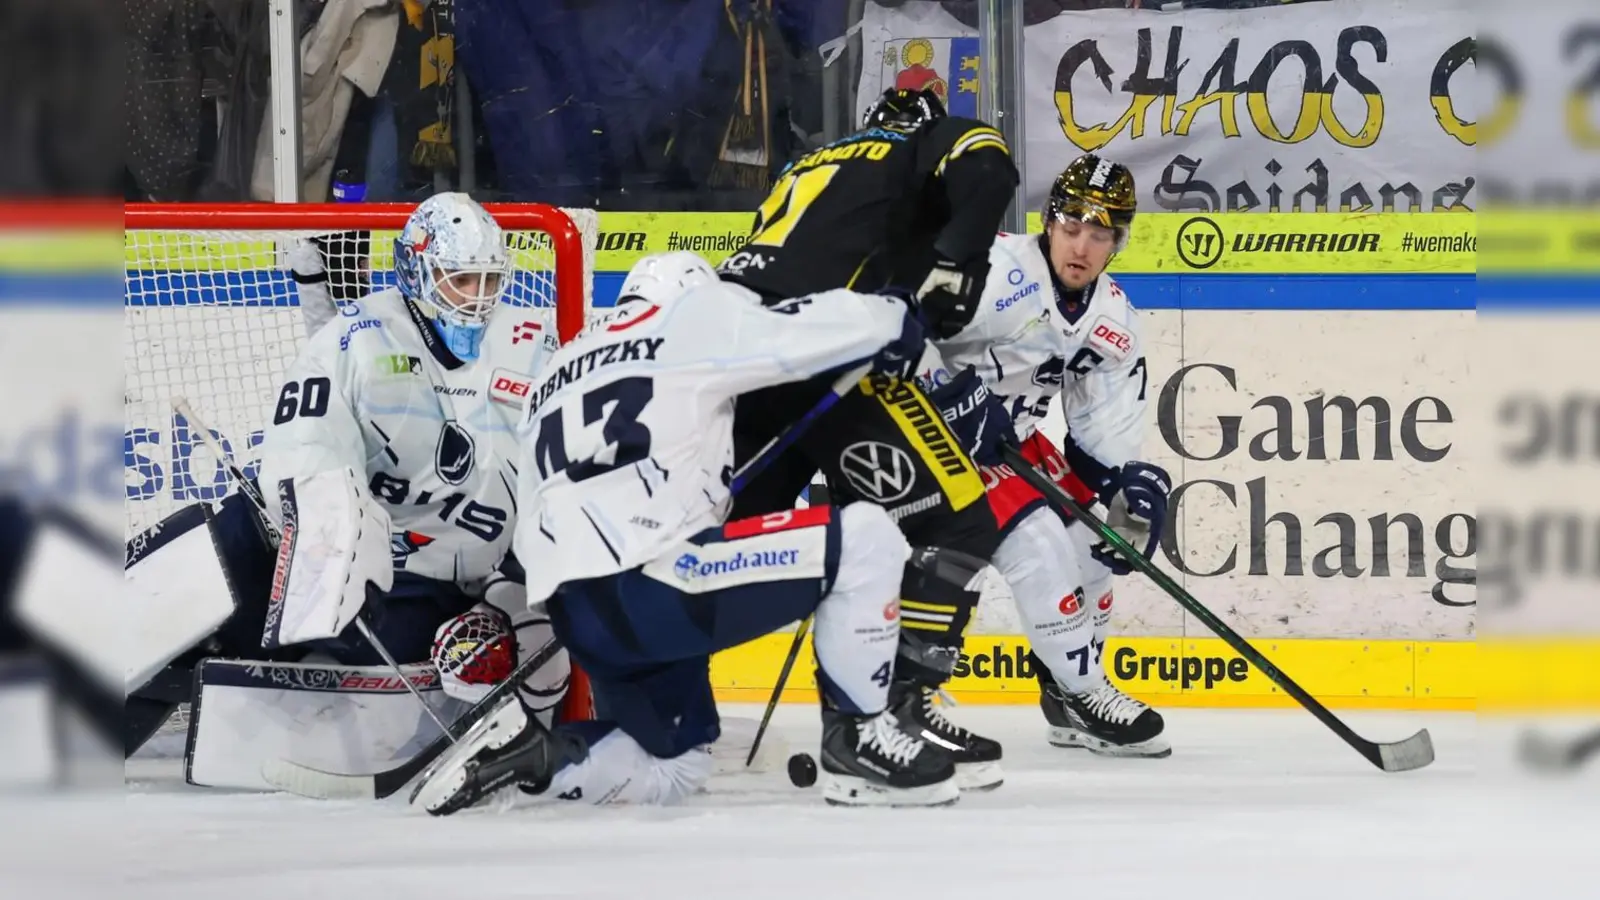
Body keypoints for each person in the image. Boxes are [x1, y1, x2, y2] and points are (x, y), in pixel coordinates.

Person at [408, 251, 990, 815]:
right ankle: (859, 745)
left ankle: (533, 757)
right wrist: (893, 316)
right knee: (866, 537)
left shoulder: (558, 370)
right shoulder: (686, 321)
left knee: (676, 766)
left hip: (577, 609)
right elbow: (799, 333)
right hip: (654, 584)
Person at [123, 193, 570, 771]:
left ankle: (231, 681)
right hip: (338, 557)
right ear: (417, 271)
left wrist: (513, 589)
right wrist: (325, 539)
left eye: (487, 281)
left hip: (433, 587)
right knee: (221, 545)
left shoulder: (533, 344)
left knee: (357, 677)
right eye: (459, 280)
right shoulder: (359, 337)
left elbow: (557, 475)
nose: (476, 298)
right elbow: (304, 447)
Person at [712, 88, 1020, 789]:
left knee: (709, 532)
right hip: (827, 361)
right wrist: (957, 260)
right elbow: (991, 168)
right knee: (960, 518)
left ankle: (668, 703)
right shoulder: (918, 145)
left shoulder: (809, 164)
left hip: (738, 357)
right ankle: (890, 718)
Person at [917, 154, 1172, 756]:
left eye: (1100, 233)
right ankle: (1087, 691)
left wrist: (1122, 489)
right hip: (930, 434)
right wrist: (951, 393)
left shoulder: (1113, 320)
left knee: (1093, 541)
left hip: (1012, 441)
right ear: (1049, 222)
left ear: (1118, 241)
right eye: (1071, 227)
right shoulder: (994, 270)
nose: (1081, 246)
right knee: (1038, 545)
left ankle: (1063, 695)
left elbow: (1098, 439)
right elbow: (902, 323)